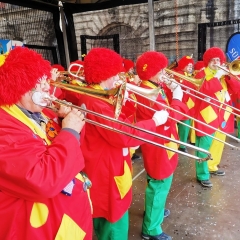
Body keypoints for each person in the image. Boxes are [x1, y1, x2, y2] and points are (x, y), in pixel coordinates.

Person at [75, 47, 168, 240]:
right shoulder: (95, 101)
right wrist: (154, 122)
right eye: (115, 74)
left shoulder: (99, 95)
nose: (119, 78)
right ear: (104, 74)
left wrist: (121, 103)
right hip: (106, 170)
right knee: (114, 223)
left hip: (107, 165)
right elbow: (123, 135)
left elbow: (120, 123)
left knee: (108, 220)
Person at [0, 47, 93, 239]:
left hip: (66, 217)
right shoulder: (4, 125)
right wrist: (69, 131)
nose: (46, 87)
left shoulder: (39, 112)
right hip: (42, 228)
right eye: (37, 81)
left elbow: (66, 151)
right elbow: (42, 179)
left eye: (44, 80)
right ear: (16, 86)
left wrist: (63, 122)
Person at [135, 51, 188, 240]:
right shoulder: (147, 91)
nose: (164, 73)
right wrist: (178, 96)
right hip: (159, 146)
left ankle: (154, 212)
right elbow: (171, 116)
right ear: (151, 72)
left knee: (158, 183)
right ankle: (151, 229)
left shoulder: (151, 86)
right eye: (161, 70)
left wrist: (171, 88)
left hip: (164, 142)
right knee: (159, 184)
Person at [194, 47, 240, 187]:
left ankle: (212, 166)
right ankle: (202, 174)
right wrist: (216, 76)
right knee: (204, 147)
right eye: (213, 60)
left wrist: (229, 76)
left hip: (223, 115)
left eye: (218, 60)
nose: (216, 62)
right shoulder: (201, 74)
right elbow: (203, 91)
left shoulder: (224, 74)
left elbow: (237, 90)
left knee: (218, 144)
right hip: (207, 115)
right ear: (207, 61)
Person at [172, 55, 196, 153]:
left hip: (188, 103)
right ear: (183, 66)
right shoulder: (179, 75)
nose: (190, 67)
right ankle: (181, 145)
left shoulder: (188, 75)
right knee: (184, 125)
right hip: (183, 103)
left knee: (185, 125)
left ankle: (182, 143)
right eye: (188, 65)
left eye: (191, 65)